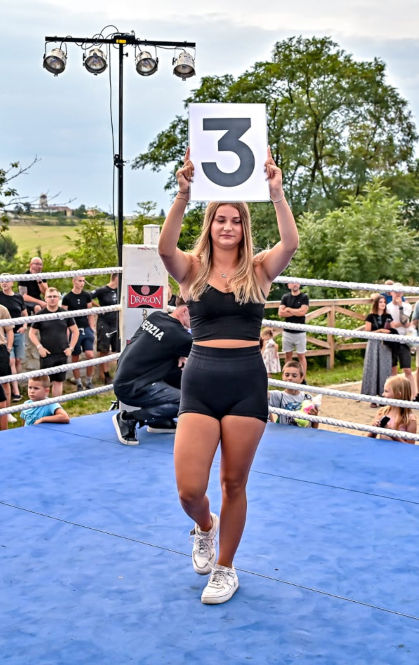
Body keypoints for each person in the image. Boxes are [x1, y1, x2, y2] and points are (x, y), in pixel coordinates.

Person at [157, 146, 297, 605]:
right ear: (210, 224)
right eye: (221, 219)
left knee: (233, 483)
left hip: (245, 383)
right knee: (189, 490)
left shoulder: (259, 270)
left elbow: (290, 244)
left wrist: (276, 193)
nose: (228, 226)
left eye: (236, 220)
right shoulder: (192, 270)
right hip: (200, 381)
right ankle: (205, 526)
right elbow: (164, 248)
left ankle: (226, 567)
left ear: (244, 227)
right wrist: (183, 193)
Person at [111, 300, 193, 444]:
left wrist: (179, 353)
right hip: (133, 386)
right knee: (189, 401)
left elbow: (159, 344)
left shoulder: (156, 316)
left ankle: (158, 420)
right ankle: (129, 419)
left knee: (185, 378)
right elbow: (208, 353)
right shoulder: (179, 336)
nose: (199, 321)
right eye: (197, 316)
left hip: (127, 378)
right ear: (184, 311)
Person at [29, 287, 78, 397]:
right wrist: (39, 347)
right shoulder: (40, 314)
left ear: (59, 298)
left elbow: (75, 331)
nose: (52, 299)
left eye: (55, 296)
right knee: (44, 382)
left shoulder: (65, 313)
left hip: (62, 353)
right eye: (49, 296)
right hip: (46, 354)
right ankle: (44, 404)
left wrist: (71, 348)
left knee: (58, 381)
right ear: (45, 298)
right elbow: (31, 333)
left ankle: (56, 404)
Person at [0, 276, 28, 402]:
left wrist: (25, 326)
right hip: (4, 334)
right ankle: (16, 392)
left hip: (18, 332)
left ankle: (15, 386)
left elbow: (25, 314)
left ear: (12, 283)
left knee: (18, 360)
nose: (4, 283)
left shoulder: (18, 297)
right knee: (11, 360)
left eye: (7, 281)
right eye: (2, 281)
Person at [61, 275, 97, 390]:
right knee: (75, 356)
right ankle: (79, 383)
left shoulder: (87, 296)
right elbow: (64, 317)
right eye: (80, 281)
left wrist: (92, 328)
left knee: (90, 355)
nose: (82, 283)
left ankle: (89, 381)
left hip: (85, 328)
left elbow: (90, 313)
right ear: (74, 281)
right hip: (73, 329)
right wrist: (67, 332)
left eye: (83, 281)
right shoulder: (67, 298)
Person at [268, 361, 319, 428]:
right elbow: (261, 394)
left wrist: (315, 416)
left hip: (304, 433)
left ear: (301, 378)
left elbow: (315, 427)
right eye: (287, 375)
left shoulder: (308, 398)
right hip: (285, 433)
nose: (290, 378)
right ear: (282, 376)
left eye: (294, 376)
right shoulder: (278, 396)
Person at [91, 273, 121, 384]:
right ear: (116, 278)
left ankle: (119, 374)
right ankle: (106, 376)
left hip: (116, 322)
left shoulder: (120, 290)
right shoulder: (103, 290)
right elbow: (88, 297)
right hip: (104, 322)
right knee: (104, 349)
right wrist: (98, 307)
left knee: (119, 349)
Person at [361, 294, 393, 401]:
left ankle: (384, 395)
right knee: (373, 368)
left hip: (385, 344)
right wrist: (380, 331)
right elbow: (367, 332)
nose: (383, 304)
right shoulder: (370, 317)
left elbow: (392, 330)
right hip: (374, 344)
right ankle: (372, 397)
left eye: (384, 302)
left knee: (384, 369)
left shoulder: (388, 316)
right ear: (376, 304)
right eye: (380, 302)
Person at [385, 284, 415, 395]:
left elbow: (405, 323)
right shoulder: (387, 307)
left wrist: (400, 307)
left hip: (404, 340)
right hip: (392, 340)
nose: (398, 294)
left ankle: (413, 394)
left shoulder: (407, 306)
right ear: (391, 293)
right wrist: (401, 324)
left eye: (400, 291)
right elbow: (391, 325)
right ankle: (392, 394)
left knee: (407, 369)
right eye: (395, 291)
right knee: (393, 369)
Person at [368, 375, 416, 440]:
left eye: (386, 391)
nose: (383, 394)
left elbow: (410, 445)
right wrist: (374, 429)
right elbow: (369, 439)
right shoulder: (382, 412)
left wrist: (393, 435)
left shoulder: (410, 419)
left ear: (398, 395)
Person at [279, 282, 310, 375]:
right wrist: (296, 312)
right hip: (287, 331)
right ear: (289, 285)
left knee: (301, 356)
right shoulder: (285, 297)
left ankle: (302, 378)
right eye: (292, 283)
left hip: (300, 332)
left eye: (296, 282)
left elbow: (302, 312)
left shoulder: (304, 297)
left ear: (299, 284)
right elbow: (281, 313)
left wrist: (289, 309)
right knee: (288, 356)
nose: (294, 285)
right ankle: (288, 376)